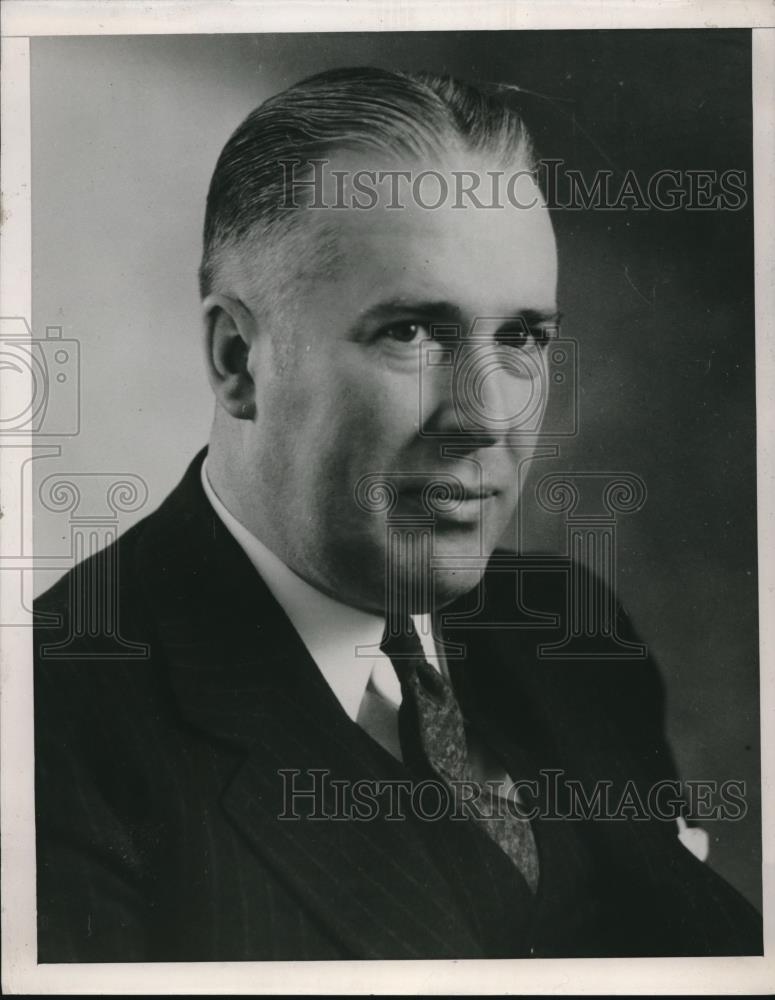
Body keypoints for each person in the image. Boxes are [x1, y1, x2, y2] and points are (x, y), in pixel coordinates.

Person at [34, 66, 762, 962]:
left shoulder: (573, 636)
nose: (488, 414)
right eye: (412, 332)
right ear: (237, 359)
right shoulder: (48, 729)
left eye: (521, 337)